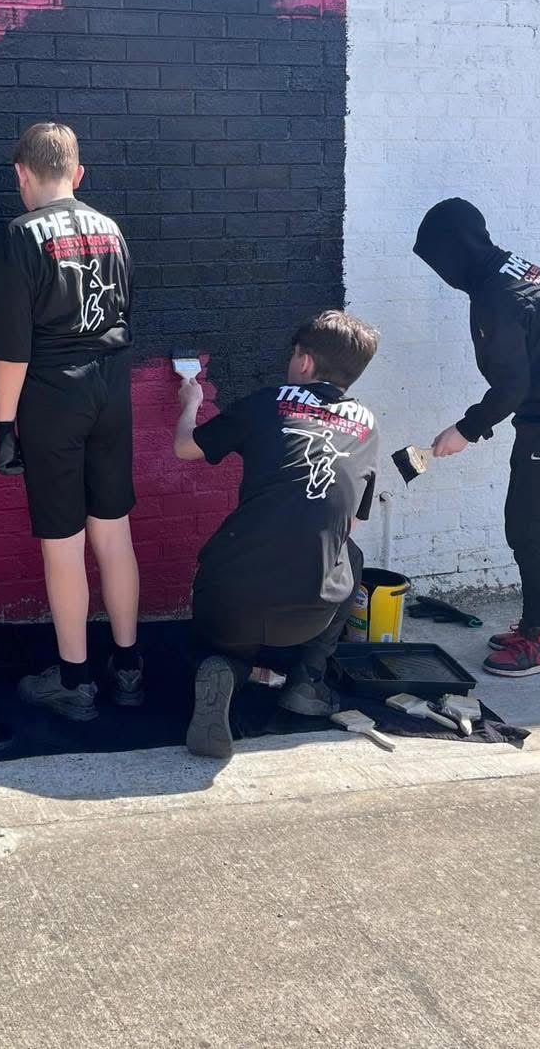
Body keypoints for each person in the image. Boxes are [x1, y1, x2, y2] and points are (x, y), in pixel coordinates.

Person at [0, 122, 142, 721]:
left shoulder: (21, 235)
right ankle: (128, 668)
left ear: (22, 173)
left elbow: (13, 347)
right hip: (112, 389)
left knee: (63, 544)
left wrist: (5, 427)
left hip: (52, 396)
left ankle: (75, 681)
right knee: (114, 532)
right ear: (78, 175)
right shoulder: (112, 228)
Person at [414, 198, 540, 677]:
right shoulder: (512, 271)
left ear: (455, 249)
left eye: (438, 260)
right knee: (535, 524)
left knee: (525, 528)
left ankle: (539, 640)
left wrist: (465, 429)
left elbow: (511, 387)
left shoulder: (497, 296)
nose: (441, 273)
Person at [174, 311, 380, 759]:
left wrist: (190, 401)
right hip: (312, 612)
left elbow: (185, 447)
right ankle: (307, 682)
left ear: (304, 363)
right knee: (352, 554)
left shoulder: (269, 401)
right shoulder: (366, 425)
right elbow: (350, 526)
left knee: (227, 625)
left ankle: (224, 667)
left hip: (230, 600)